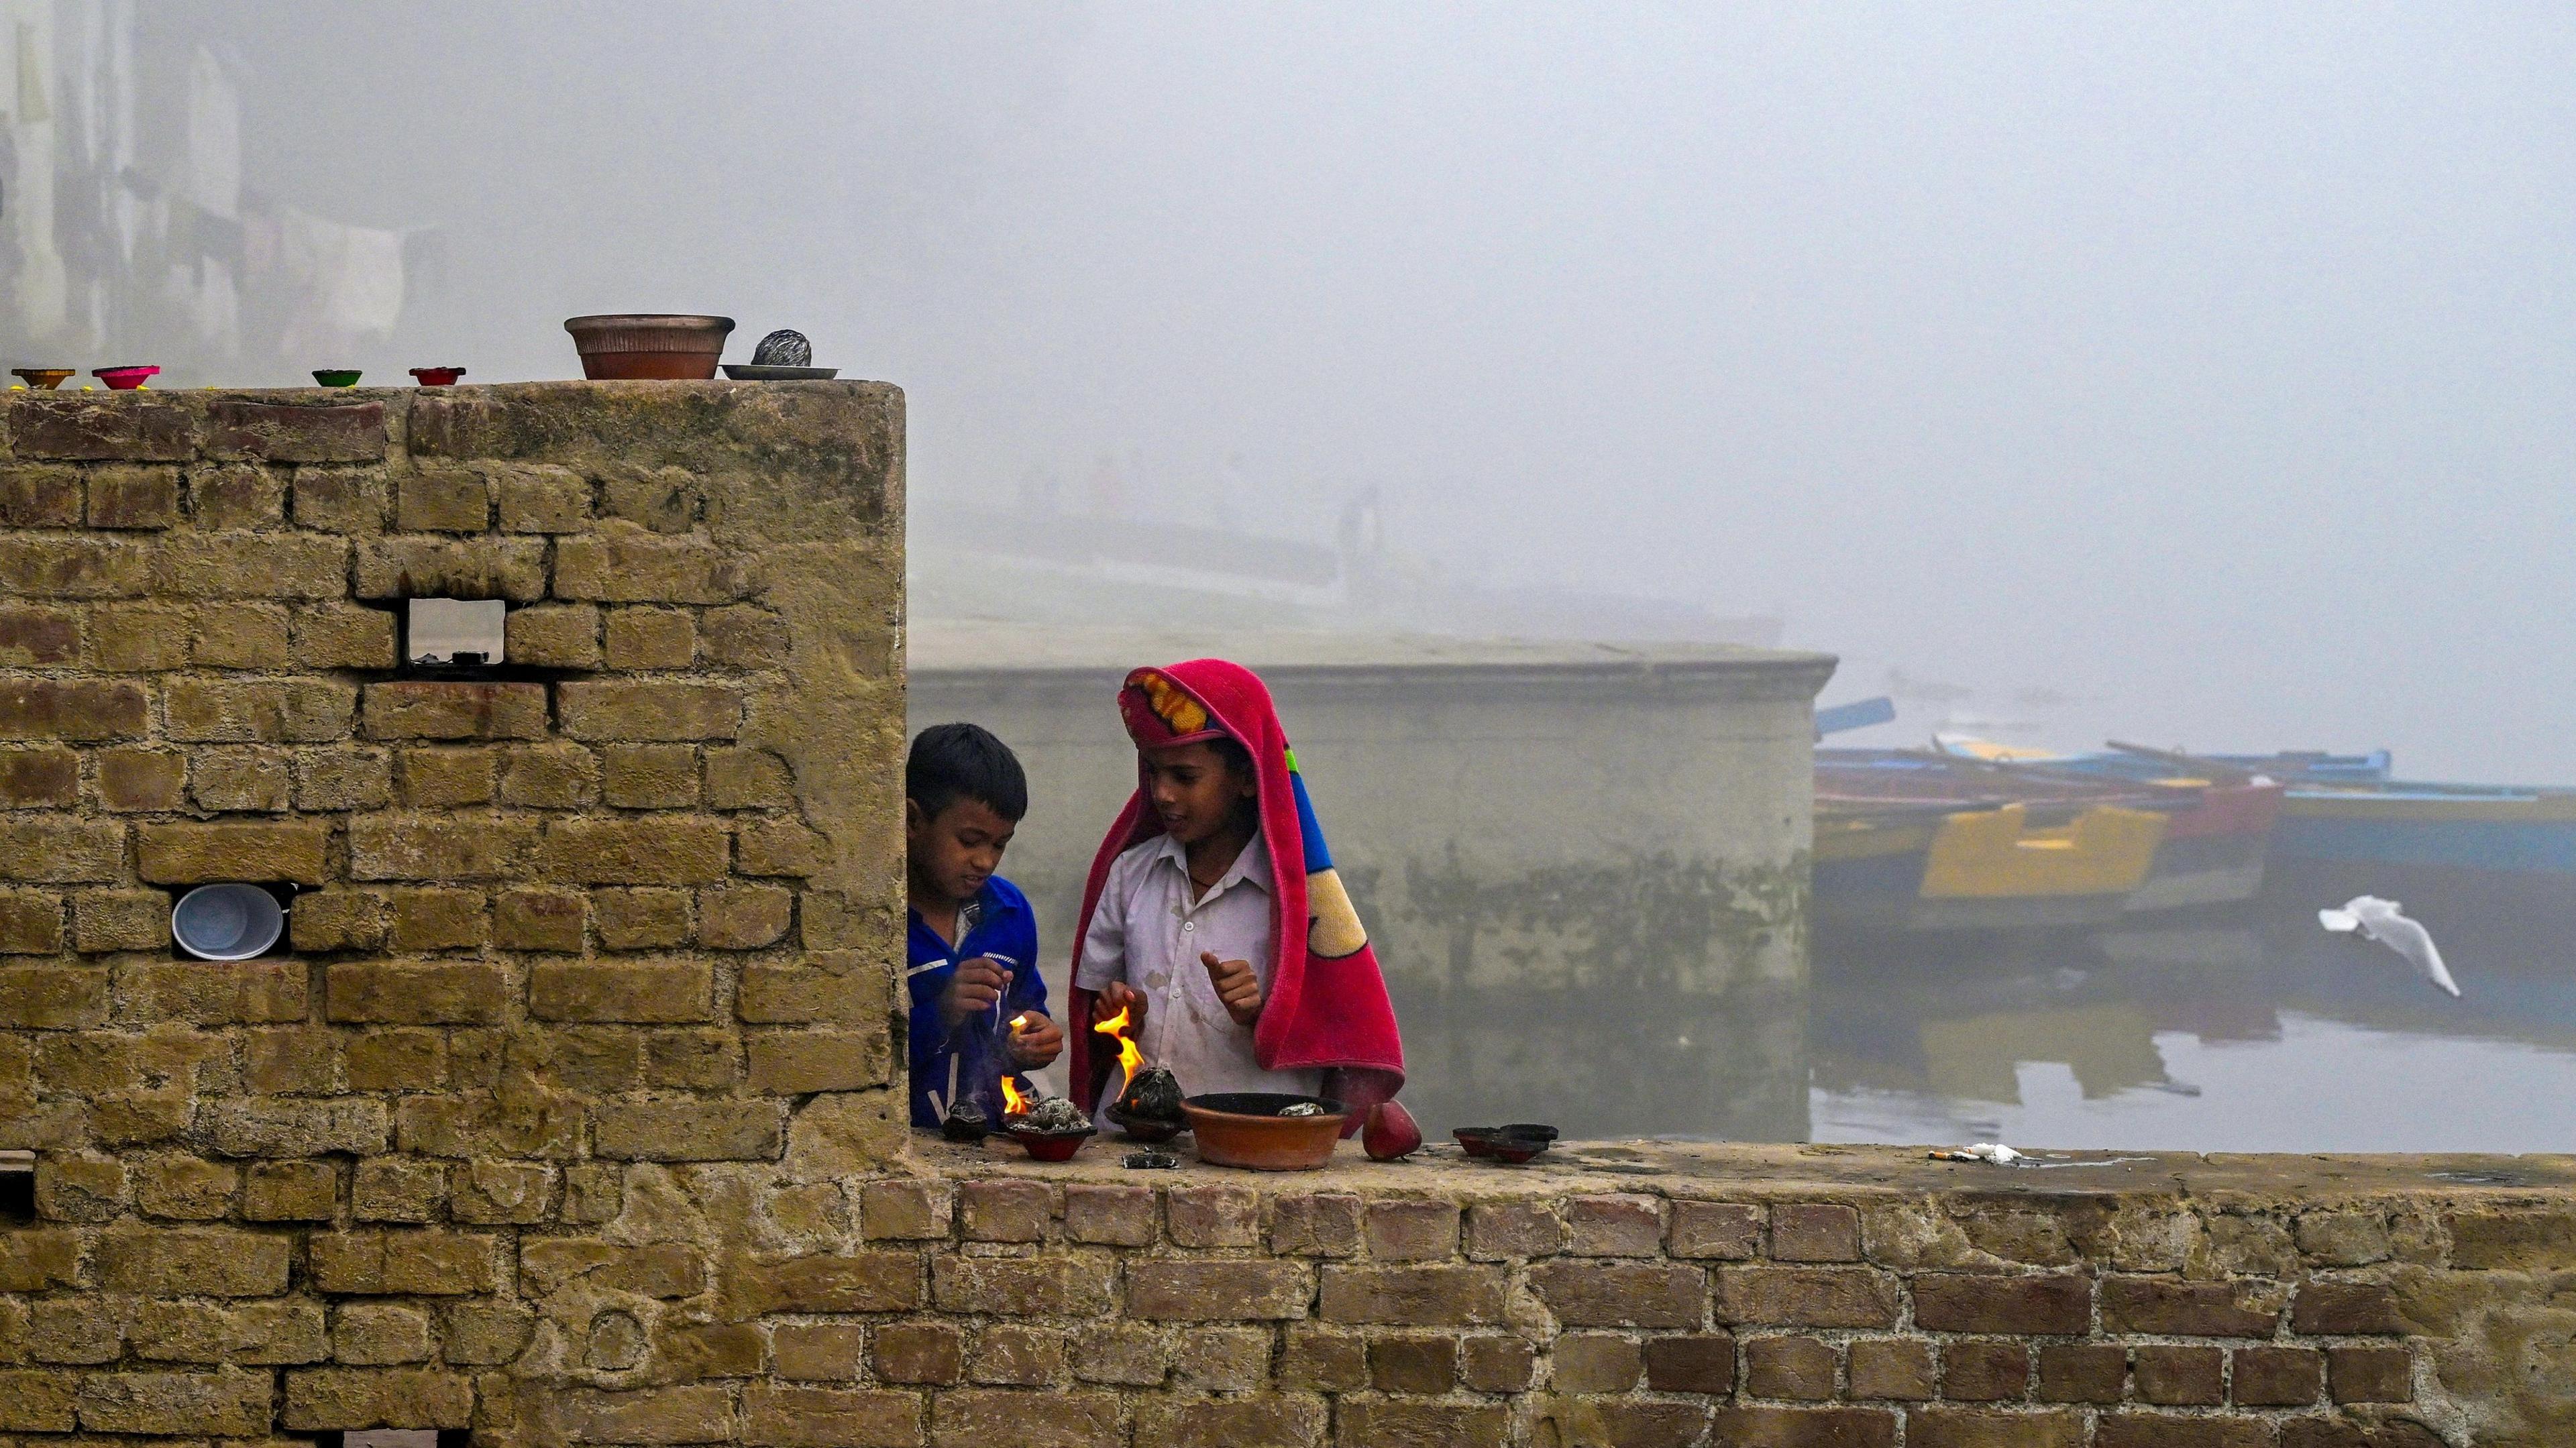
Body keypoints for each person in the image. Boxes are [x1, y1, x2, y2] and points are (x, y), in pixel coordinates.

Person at [1067, 660, 1403, 1130]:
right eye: (1154, 773)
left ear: (1247, 778)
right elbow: (1097, 1015)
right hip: (1132, 1134)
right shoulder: (1129, 874)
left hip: (1255, 1139)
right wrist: (1121, 1011)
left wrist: (1262, 1012)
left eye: (1185, 776)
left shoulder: (1298, 901)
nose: (1162, 793)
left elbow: (1339, 1032)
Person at [904, 722, 1063, 1127]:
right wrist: (940, 1011)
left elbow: (1025, 1009)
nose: (985, 861)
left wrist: (1034, 1040)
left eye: (999, 844)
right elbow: (852, 1056)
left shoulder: (1009, 912)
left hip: (993, 1139)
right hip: (907, 1141)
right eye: (970, 840)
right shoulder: (877, 922)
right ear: (912, 820)